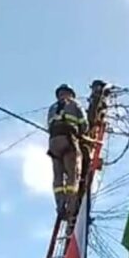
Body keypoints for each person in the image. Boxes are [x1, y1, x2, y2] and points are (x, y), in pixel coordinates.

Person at [47, 84, 88, 217]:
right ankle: (71, 208)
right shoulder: (75, 104)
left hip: (53, 144)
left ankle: (60, 206)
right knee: (73, 174)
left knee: (58, 177)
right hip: (69, 141)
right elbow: (84, 124)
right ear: (70, 94)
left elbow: (49, 126)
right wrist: (81, 133)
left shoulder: (52, 108)